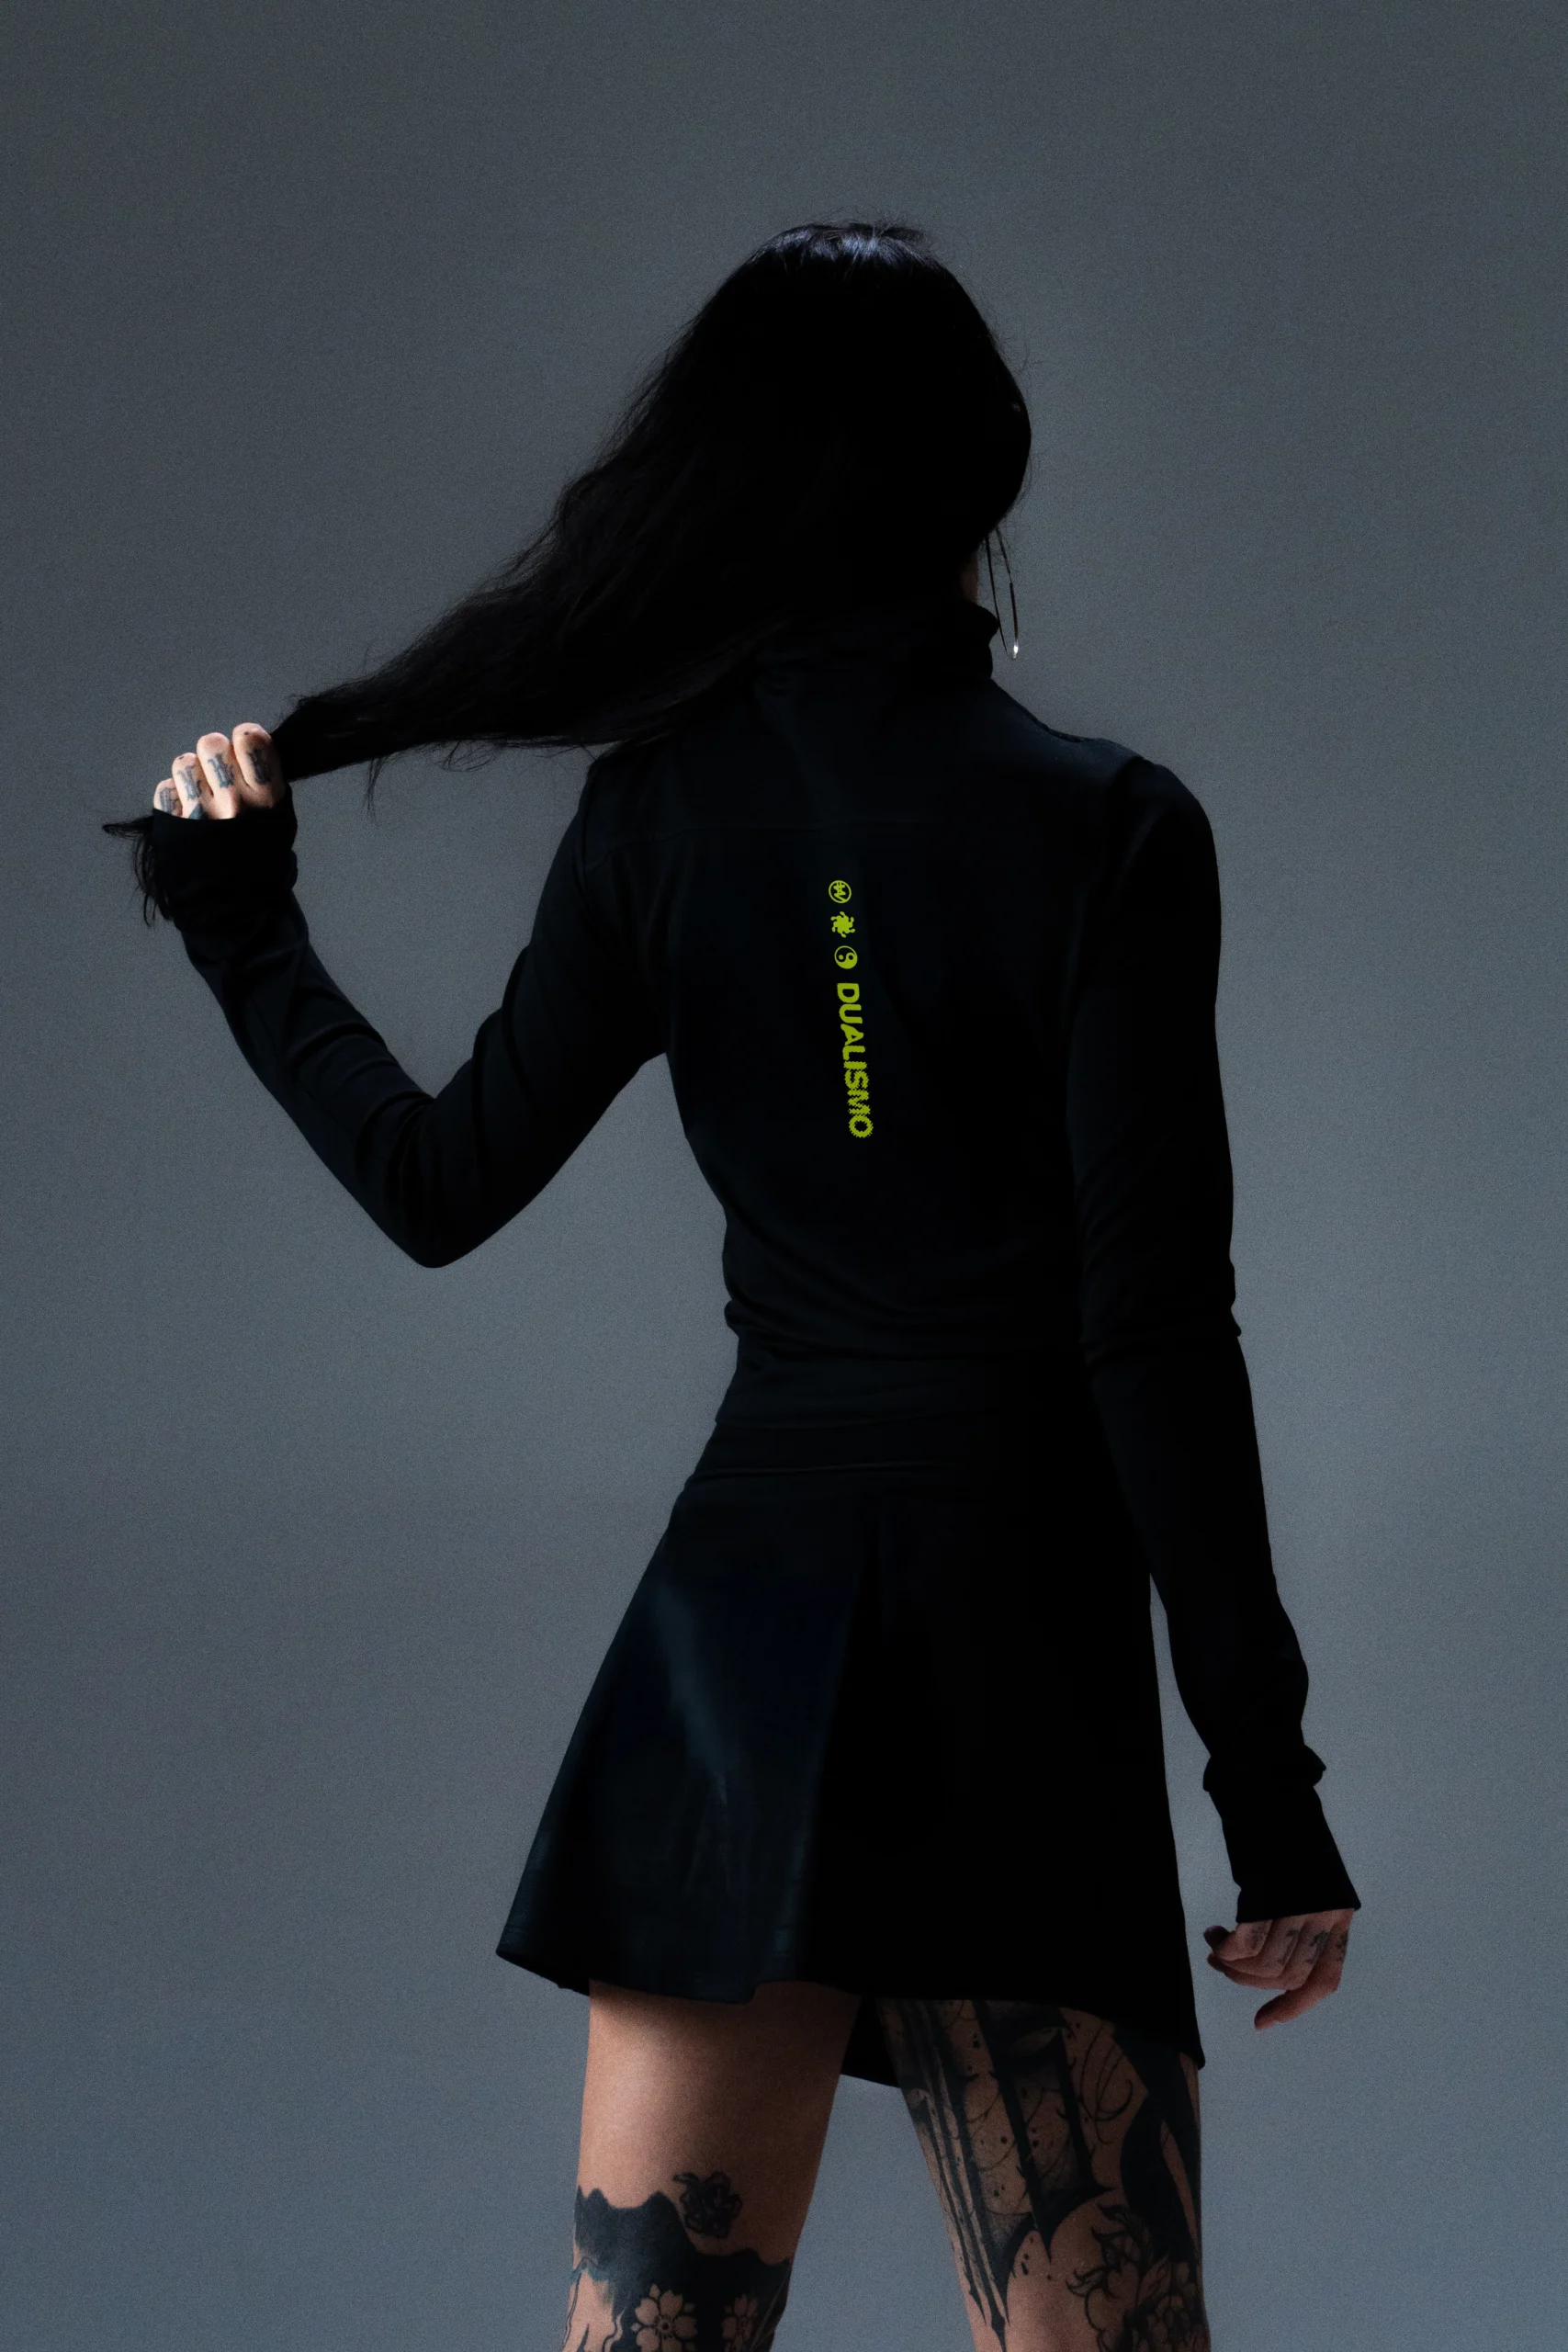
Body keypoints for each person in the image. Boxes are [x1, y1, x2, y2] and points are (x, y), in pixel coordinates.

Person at [110, 221, 1358, 2352]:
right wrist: (1268, 1786)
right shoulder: (1110, 830)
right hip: (1009, 1637)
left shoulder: (660, 813)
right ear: (985, 475)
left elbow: (435, 1183)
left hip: (737, 1648)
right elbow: (1151, 1329)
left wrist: (246, 930)